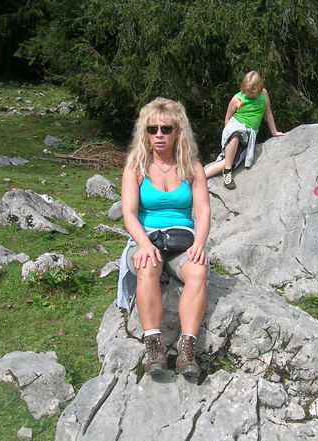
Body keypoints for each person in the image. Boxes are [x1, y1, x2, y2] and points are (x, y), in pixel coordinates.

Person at [118, 97, 211, 379]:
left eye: (166, 129)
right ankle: (154, 347)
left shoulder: (192, 168)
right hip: (146, 238)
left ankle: (187, 349)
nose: (159, 135)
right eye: (152, 129)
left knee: (198, 271)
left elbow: (204, 211)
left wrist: (199, 245)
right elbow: (129, 213)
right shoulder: (136, 167)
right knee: (147, 266)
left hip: (183, 240)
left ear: (178, 131)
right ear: (144, 133)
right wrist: (144, 244)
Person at [204, 71, 285, 189]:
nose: (248, 93)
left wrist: (274, 132)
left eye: (252, 91)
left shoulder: (264, 94)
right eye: (246, 90)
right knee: (236, 134)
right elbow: (227, 120)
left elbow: (268, 113)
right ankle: (227, 172)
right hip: (235, 127)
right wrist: (228, 138)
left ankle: (198, 176)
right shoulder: (237, 99)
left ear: (258, 88)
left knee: (230, 161)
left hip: (249, 133)